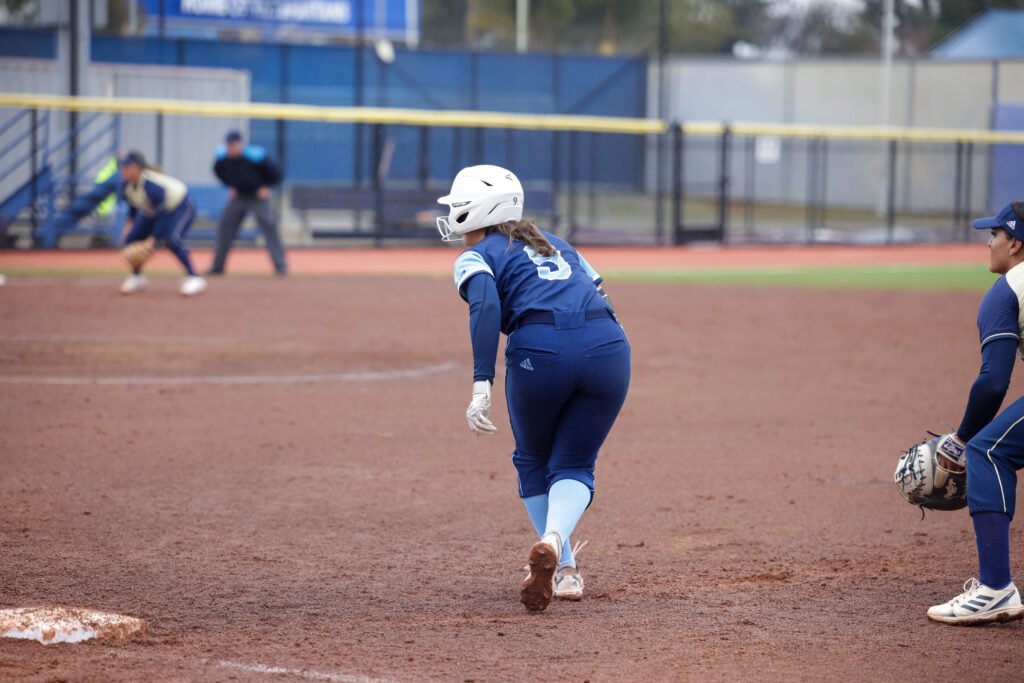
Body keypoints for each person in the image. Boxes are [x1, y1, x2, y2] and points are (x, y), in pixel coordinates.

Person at [438, 164, 631, 612]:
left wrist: (481, 382)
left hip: (540, 351)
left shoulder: (476, 255)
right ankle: (557, 555)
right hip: (610, 348)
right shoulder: (559, 245)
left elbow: (485, 306)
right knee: (576, 463)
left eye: (458, 205)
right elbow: (599, 292)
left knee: (532, 461)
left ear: (478, 211)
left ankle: (562, 564)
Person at [925, 201, 1024, 625]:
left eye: (995, 234)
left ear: (1015, 243)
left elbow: (993, 382)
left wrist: (961, 438)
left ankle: (995, 589)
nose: (988, 243)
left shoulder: (1008, 290)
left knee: (988, 452)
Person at [118, 151, 207, 297]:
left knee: (172, 239)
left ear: (137, 168)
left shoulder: (151, 185)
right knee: (132, 239)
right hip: (153, 210)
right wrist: (129, 227)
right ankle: (137, 277)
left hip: (181, 204)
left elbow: (163, 214)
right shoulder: (126, 186)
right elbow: (134, 207)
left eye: (127, 166)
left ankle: (194, 277)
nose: (123, 170)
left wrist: (152, 239)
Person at [209, 131, 286, 275]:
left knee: (270, 227)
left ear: (241, 144)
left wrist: (266, 187)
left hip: (258, 198)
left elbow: (276, 174)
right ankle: (217, 266)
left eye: (234, 144)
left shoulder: (256, 156)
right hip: (238, 197)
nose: (231, 148)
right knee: (225, 227)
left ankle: (280, 266)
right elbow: (219, 173)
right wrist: (230, 186)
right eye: (229, 145)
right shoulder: (223, 159)